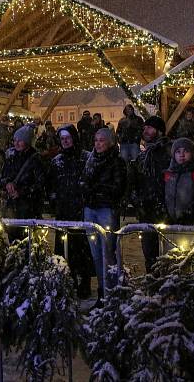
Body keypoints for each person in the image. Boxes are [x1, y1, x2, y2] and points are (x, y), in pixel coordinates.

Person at [47, 124, 93, 298]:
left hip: (81, 211)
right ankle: (69, 279)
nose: (65, 141)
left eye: (68, 137)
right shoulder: (57, 161)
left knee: (83, 249)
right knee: (65, 249)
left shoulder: (86, 158)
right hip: (63, 211)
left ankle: (85, 282)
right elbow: (51, 185)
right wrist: (54, 201)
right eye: (62, 138)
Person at [80, 128, 126, 299]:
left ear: (110, 142)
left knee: (108, 252)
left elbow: (117, 187)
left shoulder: (116, 162)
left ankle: (111, 290)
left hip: (106, 209)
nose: (98, 144)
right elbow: (83, 180)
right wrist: (88, 191)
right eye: (96, 140)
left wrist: (96, 191)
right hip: (90, 209)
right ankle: (102, 289)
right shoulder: (91, 160)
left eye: (102, 140)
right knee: (96, 254)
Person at [130, 115, 171, 272]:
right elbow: (134, 182)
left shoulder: (168, 153)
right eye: (145, 127)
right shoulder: (142, 156)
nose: (145, 130)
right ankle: (152, 284)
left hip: (165, 211)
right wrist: (137, 200)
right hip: (146, 210)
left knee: (169, 254)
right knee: (150, 254)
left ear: (159, 131)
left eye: (150, 127)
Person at [162, 138, 194, 249]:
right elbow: (164, 197)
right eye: (178, 151)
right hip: (172, 227)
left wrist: (188, 215)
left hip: (193, 226)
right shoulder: (168, 175)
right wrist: (166, 215)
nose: (182, 155)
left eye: (186, 151)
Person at [0, 124, 45, 223]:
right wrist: (7, 183)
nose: (16, 143)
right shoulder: (11, 157)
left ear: (27, 142)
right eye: (15, 140)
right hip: (11, 208)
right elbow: (1, 177)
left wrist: (22, 192)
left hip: (29, 208)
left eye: (20, 141)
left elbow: (40, 183)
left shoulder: (36, 159)